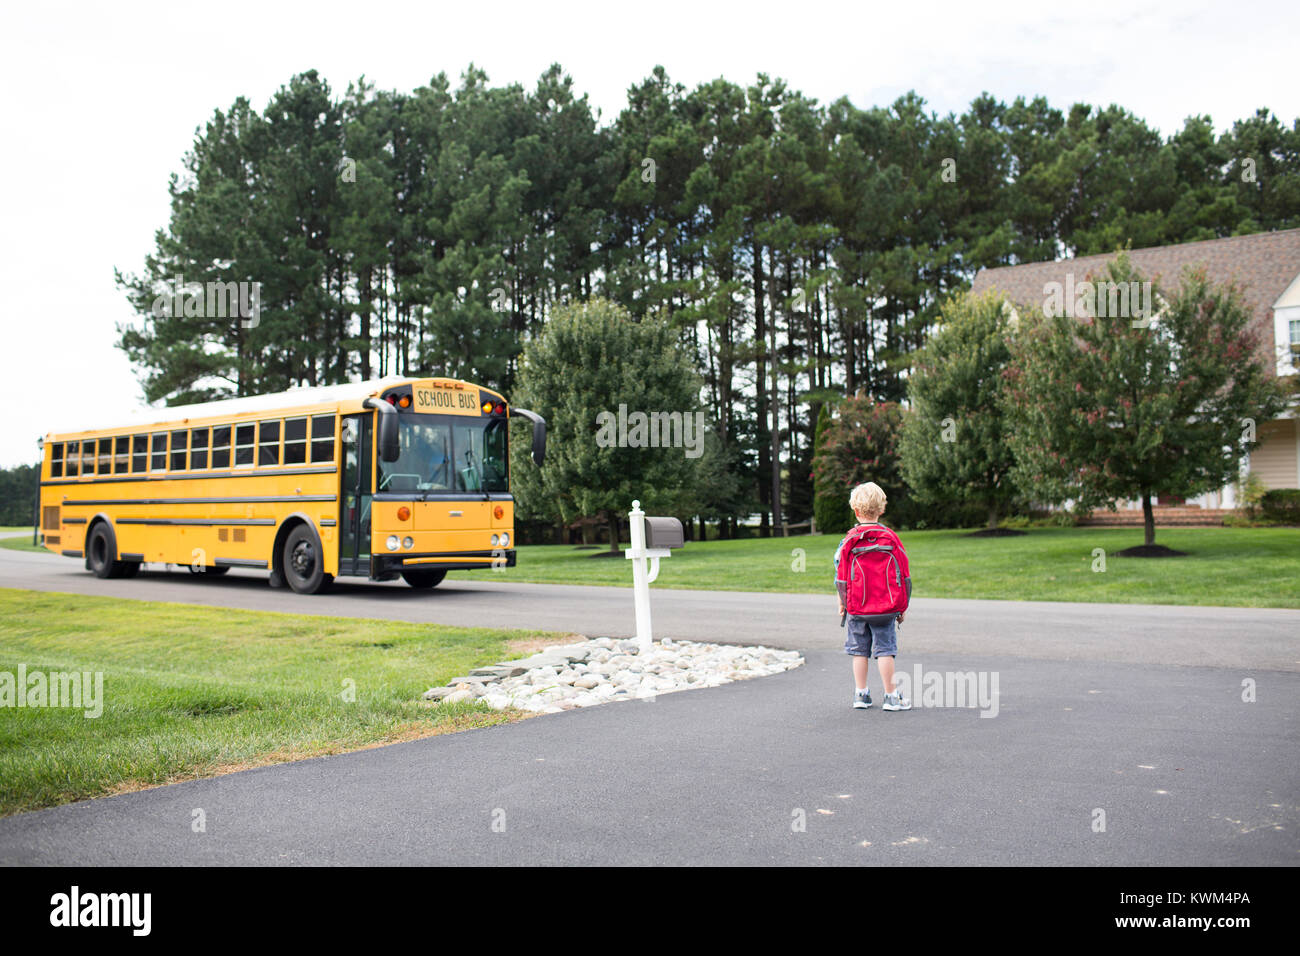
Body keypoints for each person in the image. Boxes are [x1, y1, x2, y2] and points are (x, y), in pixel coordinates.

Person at [835, 482, 912, 712]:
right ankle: (891, 696)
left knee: (859, 651)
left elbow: (840, 575)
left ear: (855, 511)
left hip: (857, 607)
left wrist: (842, 601)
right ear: (882, 509)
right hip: (886, 607)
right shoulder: (891, 538)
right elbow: (905, 575)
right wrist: (902, 605)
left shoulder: (849, 540)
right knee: (885, 650)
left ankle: (861, 694)